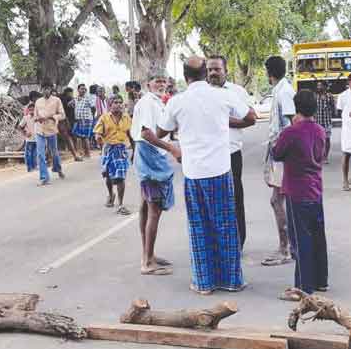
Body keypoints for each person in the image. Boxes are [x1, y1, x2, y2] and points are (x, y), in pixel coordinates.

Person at [158, 56, 256, 295]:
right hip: (221, 170)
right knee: (226, 225)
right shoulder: (224, 95)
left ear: (184, 76)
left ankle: (204, 282)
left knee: (199, 227)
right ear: (205, 73)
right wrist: (224, 120)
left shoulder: (176, 102)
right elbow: (251, 117)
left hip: (193, 174)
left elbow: (161, 130)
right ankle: (232, 280)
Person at [272, 90, 329, 300]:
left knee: (300, 238)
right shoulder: (320, 130)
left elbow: (277, 153)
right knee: (317, 234)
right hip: (315, 188)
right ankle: (321, 279)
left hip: (297, 190)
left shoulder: (291, 132)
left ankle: (303, 286)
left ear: (296, 108)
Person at [132, 68, 179, 276]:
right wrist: (171, 148)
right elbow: (146, 133)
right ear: (148, 83)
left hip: (149, 154)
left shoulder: (158, 102)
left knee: (145, 206)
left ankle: (148, 254)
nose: (161, 84)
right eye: (157, 81)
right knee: (154, 209)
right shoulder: (148, 103)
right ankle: (147, 262)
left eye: (164, 81)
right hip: (150, 155)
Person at [207, 55, 255, 250]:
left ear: (226, 70)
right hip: (209, 155)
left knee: (235, 199)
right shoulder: (203, 93)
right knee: (212, 201)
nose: (212, 73)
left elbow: (251, 118)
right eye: (209, 69)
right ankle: (216, 244)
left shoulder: (237, 92)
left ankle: (238, 243)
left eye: (217, 69)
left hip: (231, 153)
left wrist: (222, 121)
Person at [262, 55, 296, 267]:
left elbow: (292, 125)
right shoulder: (281, 90)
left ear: (269, 72)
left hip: (283, 153)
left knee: (278, 200)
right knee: (279, 200)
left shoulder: (284, 93)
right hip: (279, 151)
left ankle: (285, 248)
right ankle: (286, 246)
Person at [94, 96, 133, 215]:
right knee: (108, 176)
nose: (119, 104)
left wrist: (134, 152)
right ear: (110, 105)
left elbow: (131, 135)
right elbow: (97, 134)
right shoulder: (104, 118)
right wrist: (100, 142)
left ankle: (121, 205)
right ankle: (111, 194)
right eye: (116, 102)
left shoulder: (127, 118)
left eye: (121, 102)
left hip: (121, 149)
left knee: (120, 177)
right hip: (108, 148)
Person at [34, 82, 66, 185]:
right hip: (40, 129)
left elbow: (62, 115)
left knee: (54, 152)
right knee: (40, 154)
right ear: (41, 89)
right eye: (44, 89)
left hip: (51, 129)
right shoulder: (38, 102)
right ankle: (44, 177)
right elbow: (35, 116)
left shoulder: (57, 100)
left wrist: (53, 117)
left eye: (48, 88)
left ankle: (58, 168)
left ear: (51, 89)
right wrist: (37, 119)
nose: (46, 91)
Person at [57, 87, 83, 162]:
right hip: (66, 121)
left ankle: (76, 152)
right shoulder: (66, 99)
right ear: (68, 92)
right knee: (71, 137)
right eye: (70, 93)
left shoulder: (65, 99)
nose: (71, 94)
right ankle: (76, 152)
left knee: (72, 137)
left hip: (69, 120)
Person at [313, 81, 335, 164]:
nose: (319, 87)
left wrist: (330, 110)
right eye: (318, 85)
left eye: (320, 86)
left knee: (327, 139)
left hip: (326, 121)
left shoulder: (329, 96)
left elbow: (333, 108)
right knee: (317, 140)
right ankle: (318, 156)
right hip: (317, 121)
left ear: (325, 87)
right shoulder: (315, 96)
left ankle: (325, 157)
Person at [18, 92, 40, 173]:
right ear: (28, 110)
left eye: (33, 109)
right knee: (28, 154)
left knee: (35, 154)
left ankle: (34, 166)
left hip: (37, 138)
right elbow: (20, 127)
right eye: (30, 109)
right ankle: (29, 168)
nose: (31, 110)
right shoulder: (25, 118)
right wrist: (25, 133)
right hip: (29, 139)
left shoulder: (37, 117)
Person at [71, 84, 94, 159]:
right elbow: (71, 104)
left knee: (84, 137)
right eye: (81, 89)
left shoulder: (88, 98)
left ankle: (87, 154)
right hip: (78, 119)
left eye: (84, 89)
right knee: (77, 135)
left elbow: (93, 107)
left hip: (86, 119)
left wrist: (89, 117)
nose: (83, 90)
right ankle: (82, 152)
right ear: (78, 90)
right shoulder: (76, 98)